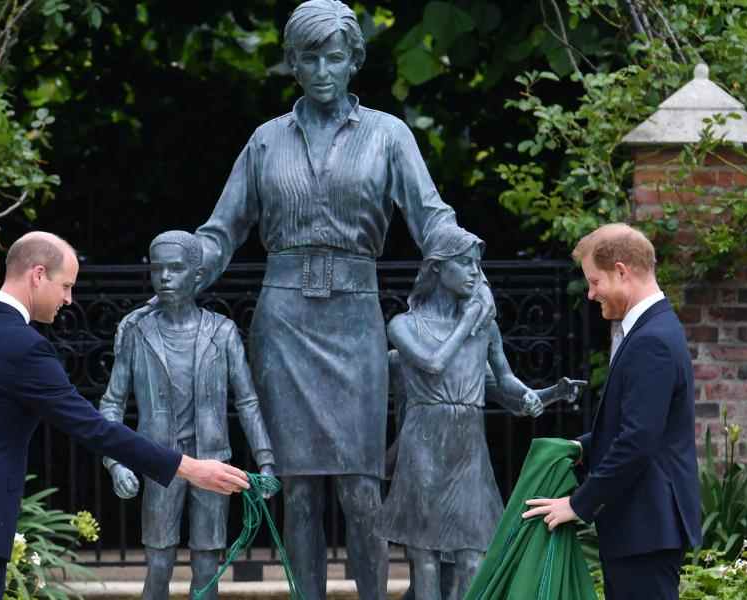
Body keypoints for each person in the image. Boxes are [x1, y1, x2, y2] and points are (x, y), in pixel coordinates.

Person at [118, 3, 492, 597]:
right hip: (285, 321)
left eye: (334, 57)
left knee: (361, 487)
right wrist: (186, 267)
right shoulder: (265, 142)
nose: (322, 70)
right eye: (309, 58)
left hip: (355, 318)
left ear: (354, 62)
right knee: (298, 490)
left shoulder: (388, 134)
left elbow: (432, 218)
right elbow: (222, 232)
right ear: (292, 62)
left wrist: (468, 260)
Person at [0, 232, 250, 600]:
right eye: (66, 286)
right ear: (38, 275)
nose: (68, 299)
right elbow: (95, 428)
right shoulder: (25, 348)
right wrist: (189, 468)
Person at [375, 225, 584, 600]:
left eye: (478, 264)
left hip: (467, 445)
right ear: (437, 268)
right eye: (466, 263)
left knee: (471, 554)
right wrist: (470, 321)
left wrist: (550, 394)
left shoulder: (484, 328)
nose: (475, 272)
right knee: (423, 555)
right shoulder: (404, 325)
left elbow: (507, 385)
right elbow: (432, 364)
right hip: (423, 441)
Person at [522, 223, 702, 600]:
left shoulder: (651, 339)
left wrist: (578, 503)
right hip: (643, 526)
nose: (590, 294)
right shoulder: (652, 331)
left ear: (621, 271)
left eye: (594, 281)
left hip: (646, 526)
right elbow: (633, 427)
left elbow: (638, 440)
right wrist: (578, 447)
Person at [100, 231, 276, 600]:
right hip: (159, 460)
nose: (164, 277)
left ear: (197, 274)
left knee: (207, 569)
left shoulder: (223, 332)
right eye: (157, 269)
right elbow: (112, 402)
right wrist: (116, 463)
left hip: (212, 460)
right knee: (159, 564)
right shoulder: (138, 333)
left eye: (175, 269)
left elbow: (247, 401)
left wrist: (266, 461)